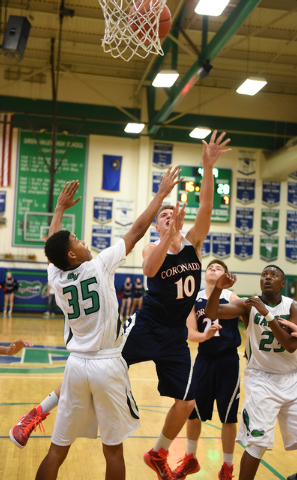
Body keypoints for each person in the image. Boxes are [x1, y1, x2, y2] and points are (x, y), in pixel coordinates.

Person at [10, 167, 182, 480]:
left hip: (75, 367)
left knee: (57, 449)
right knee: (112, 449)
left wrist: (59, 210)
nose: (82, 240)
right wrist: (161, 194)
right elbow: (139, 229)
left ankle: (37, 414)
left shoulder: (57, 276)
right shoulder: (99, 265)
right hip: (107, 366)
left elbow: (53, 246)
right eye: (76, 240)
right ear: (73, 256)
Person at [122, 130, 232, 480]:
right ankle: (46, 406)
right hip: (147, 324)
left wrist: (208, 167)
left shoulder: (194, 242)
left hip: (173, 334)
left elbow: (206, 206)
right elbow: (151, 268)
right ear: (157, 225)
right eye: (163, 215)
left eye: (173, 213)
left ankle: (158, 451)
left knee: (187, 401)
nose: (170, 216)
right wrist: (168, 235)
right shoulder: (150, 247)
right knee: (101, 363)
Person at [205, 265, 297, 480]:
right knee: (257, 444)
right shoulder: (249, 305)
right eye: (264, 275)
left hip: (292, 378)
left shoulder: (293, 307)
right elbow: (212, 313)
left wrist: (266, 313)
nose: (267, 278)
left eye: (273, 275)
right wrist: (218, 290)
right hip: (261, 380)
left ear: (283, 283)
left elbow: (291, 345)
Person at [174, 259, 240, 480]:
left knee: (229, 417)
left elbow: (250, 321)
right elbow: (189, 332)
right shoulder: (195, 300)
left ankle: (227, 467)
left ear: (226, 276)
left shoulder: (231, 298)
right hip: (204, 359)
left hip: (228, 361)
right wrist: (205, 336)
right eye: (210, 268)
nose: (213, 269)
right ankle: (190, 459)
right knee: (193, 414)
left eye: (218, 268)